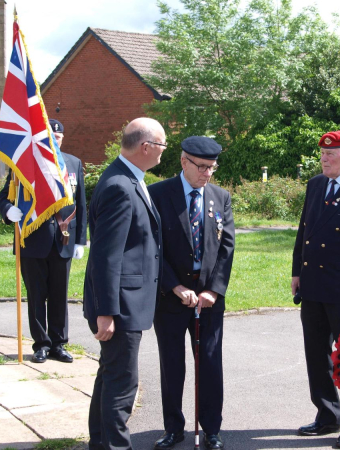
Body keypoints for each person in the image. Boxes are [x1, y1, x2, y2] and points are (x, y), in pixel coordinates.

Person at [83, 117, 165, 450]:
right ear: (146, 147)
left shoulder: (127, 177)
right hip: (120, 305)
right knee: (121, 384)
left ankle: (101, 443)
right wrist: (107, 311)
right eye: (162, 145)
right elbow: (106, 255)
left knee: (110, 377)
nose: (163, 152)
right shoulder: (119, 184)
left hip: (124, 302)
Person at [148, 136, 235, 450]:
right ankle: (173, 428)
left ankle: (212, 429)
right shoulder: (158, 195)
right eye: (201, 166)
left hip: (209, 301)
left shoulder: (220, 197)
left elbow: (226, 248)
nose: (207, 173)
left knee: (210, 365)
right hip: (171, 298)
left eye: (212, 167)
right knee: (172, 366)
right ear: (183, 161)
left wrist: (214, 290)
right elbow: (153, 247)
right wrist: (174, 286)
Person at [291, 130, 340, 449]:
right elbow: (304, 230)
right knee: (317, 354)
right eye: (322, 155)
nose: (323, 159)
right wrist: (297, 271)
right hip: (313, 286)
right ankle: (327, 415)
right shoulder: (315, 184)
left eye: (331, 155)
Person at [0, 118, 87, 364]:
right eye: (50, 137)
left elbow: (80, 203)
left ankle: (59, 344)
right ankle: (42, 345)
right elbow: (4, 197)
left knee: (60, 295)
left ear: (63, 139)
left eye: (58, 138)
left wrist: (81, 239)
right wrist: (8, 211)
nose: (55, 141)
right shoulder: (25, 165)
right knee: (36, 296)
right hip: (32, 241)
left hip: (63, 238)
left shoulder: (73, 163)